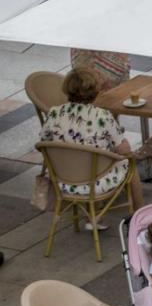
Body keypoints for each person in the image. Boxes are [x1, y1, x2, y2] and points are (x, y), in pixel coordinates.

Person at [39, 68, 145, 222]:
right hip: (95, 183)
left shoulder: (54, 113)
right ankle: (140, 213)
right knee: (129, 164)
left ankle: (94, 217)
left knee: (94, 161)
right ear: (95, 91)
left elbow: (43, 141)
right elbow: (124, 150)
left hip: (62, 181)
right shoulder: (102, 116)